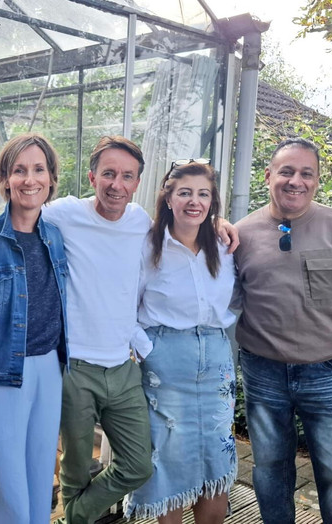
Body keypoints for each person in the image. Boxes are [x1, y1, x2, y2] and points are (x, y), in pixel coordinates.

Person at [0, 137, 238, 524]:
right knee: (73, 468)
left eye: (127, 176)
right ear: (92, 177)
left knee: (138, 465)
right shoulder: (63, 214)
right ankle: (72, 510)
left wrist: (217, 221)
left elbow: (185, 230)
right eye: (108, 173)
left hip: (124, 367)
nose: (117, 184)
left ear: (137, 183)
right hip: (74, 368)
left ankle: (72, 516)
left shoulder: (142, 224)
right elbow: (17, 210)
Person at [233, 137, 332, 524]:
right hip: (263, 373)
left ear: (318, 181)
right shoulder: (241, 235)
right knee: (269, 473)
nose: (295, 181)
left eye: (306, 173)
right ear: (268, 176)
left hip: (331, 374)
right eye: (286, 171)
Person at [125, 161, 238, 524]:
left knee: (216, 458)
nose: (195, 201)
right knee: (170, 459)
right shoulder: (146, 245)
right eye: (185, 193)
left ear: (213, 202)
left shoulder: (224, 245)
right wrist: (147, 349)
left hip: (217, 362)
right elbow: (125, 305)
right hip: (166, 364)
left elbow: (239, 297)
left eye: (203, 194)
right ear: (169, 198)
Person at [0, 133, 69, 524]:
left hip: (50, 369)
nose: (30, 180)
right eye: (19, 170)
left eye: (39, 169)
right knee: (1, 483)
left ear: (51, 178)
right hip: (0, 373)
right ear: (5, 180)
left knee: (40, 473)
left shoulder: (56, 236)